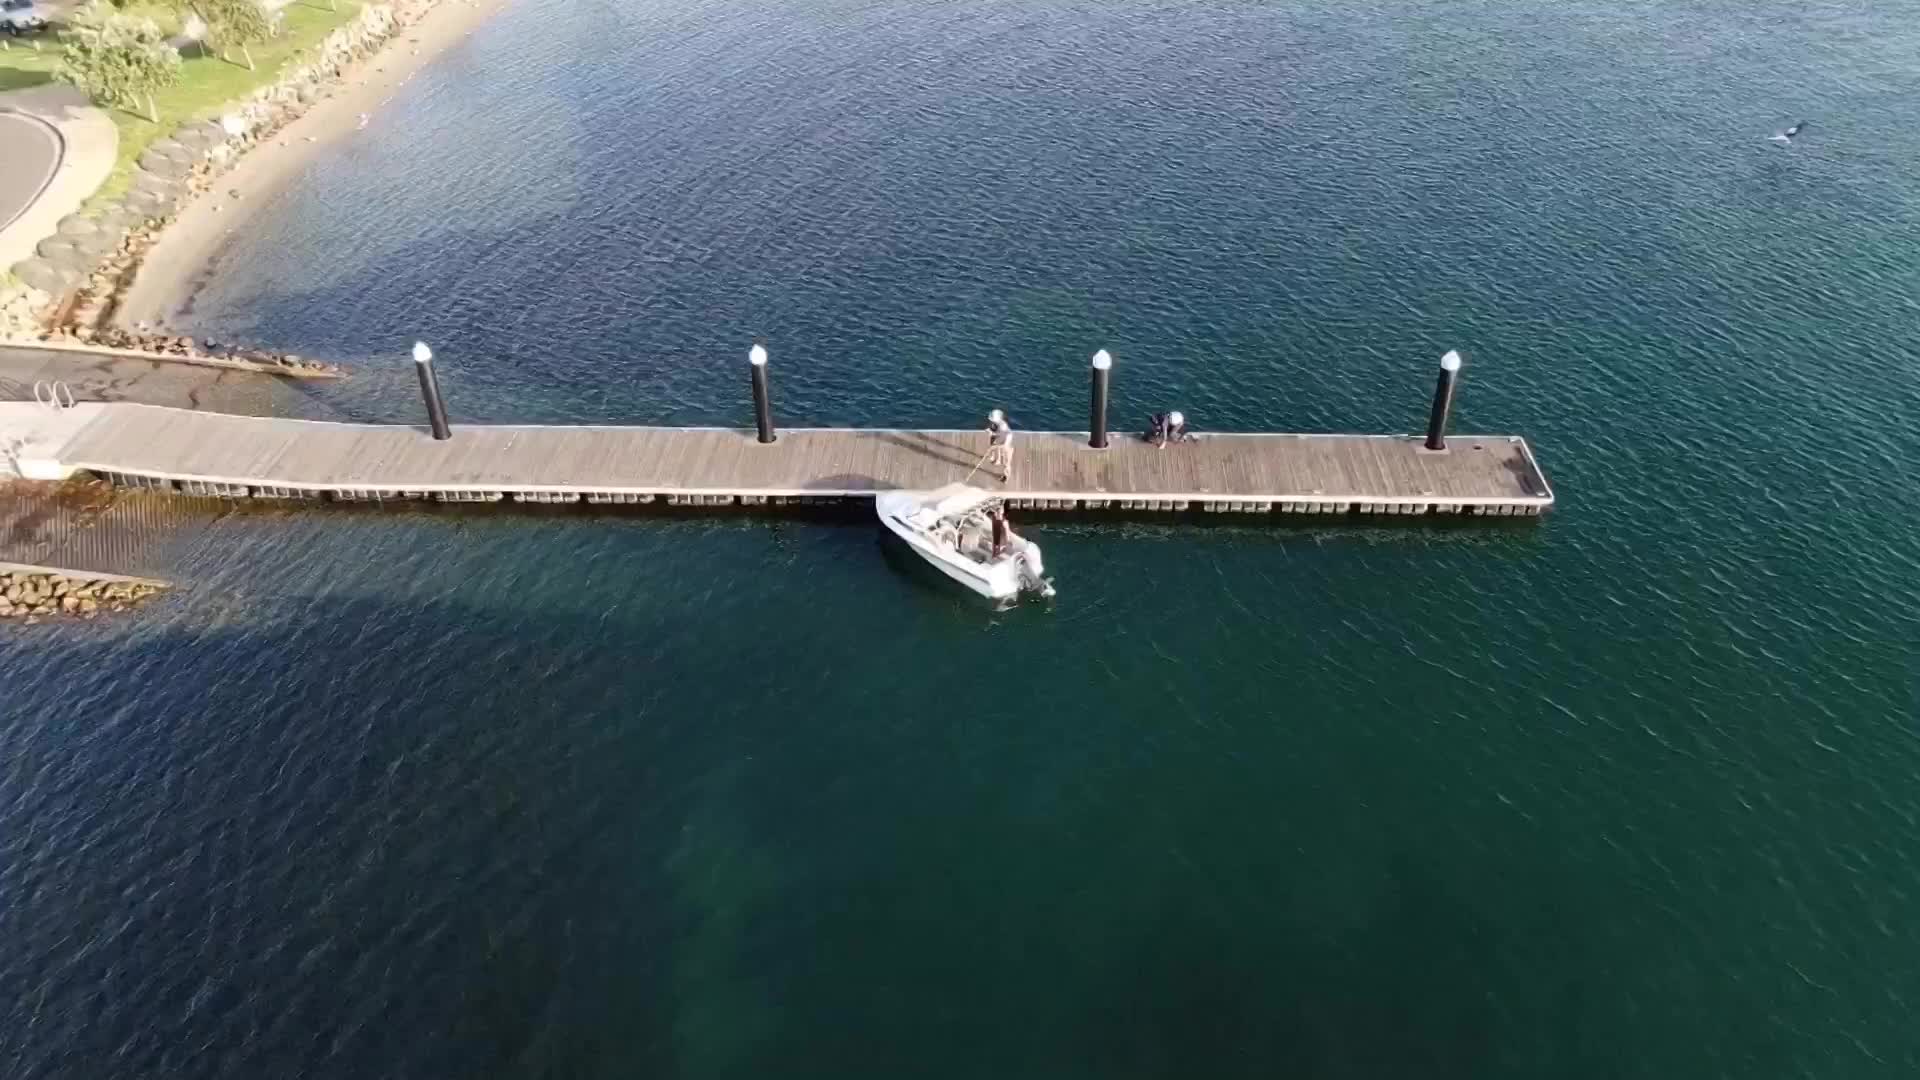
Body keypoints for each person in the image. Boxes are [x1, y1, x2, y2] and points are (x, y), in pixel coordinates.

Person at [985, 408, 1014, 481]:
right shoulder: (1000, 424)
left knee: (1006, 464)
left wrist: (993, 447)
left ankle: (1006, 478)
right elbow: (998, 435)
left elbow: (1003, 444)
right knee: (1005, 463)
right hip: (1003, 443)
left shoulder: (1003, 428)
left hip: (1006, 447)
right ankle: (1005, 476)